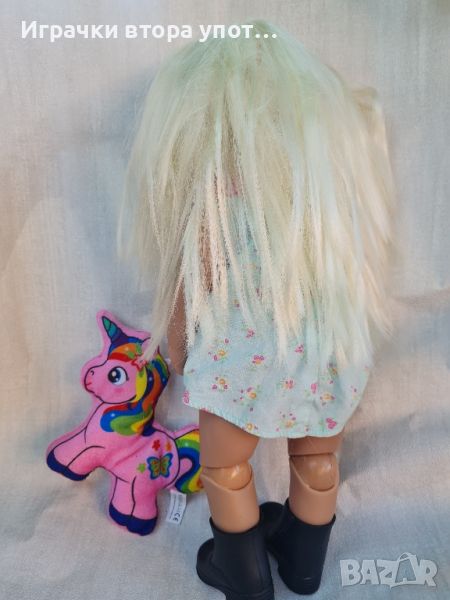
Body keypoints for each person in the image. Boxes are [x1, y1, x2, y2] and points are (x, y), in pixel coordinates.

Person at [117, 18, 396, 600]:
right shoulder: (325, 200)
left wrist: (180, 349)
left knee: (226, 469)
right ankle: (303, 567)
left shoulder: (215, 200)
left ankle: (243, 577)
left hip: (238, 367)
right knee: (318, 458)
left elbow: (190, 289)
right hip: (324, 355)